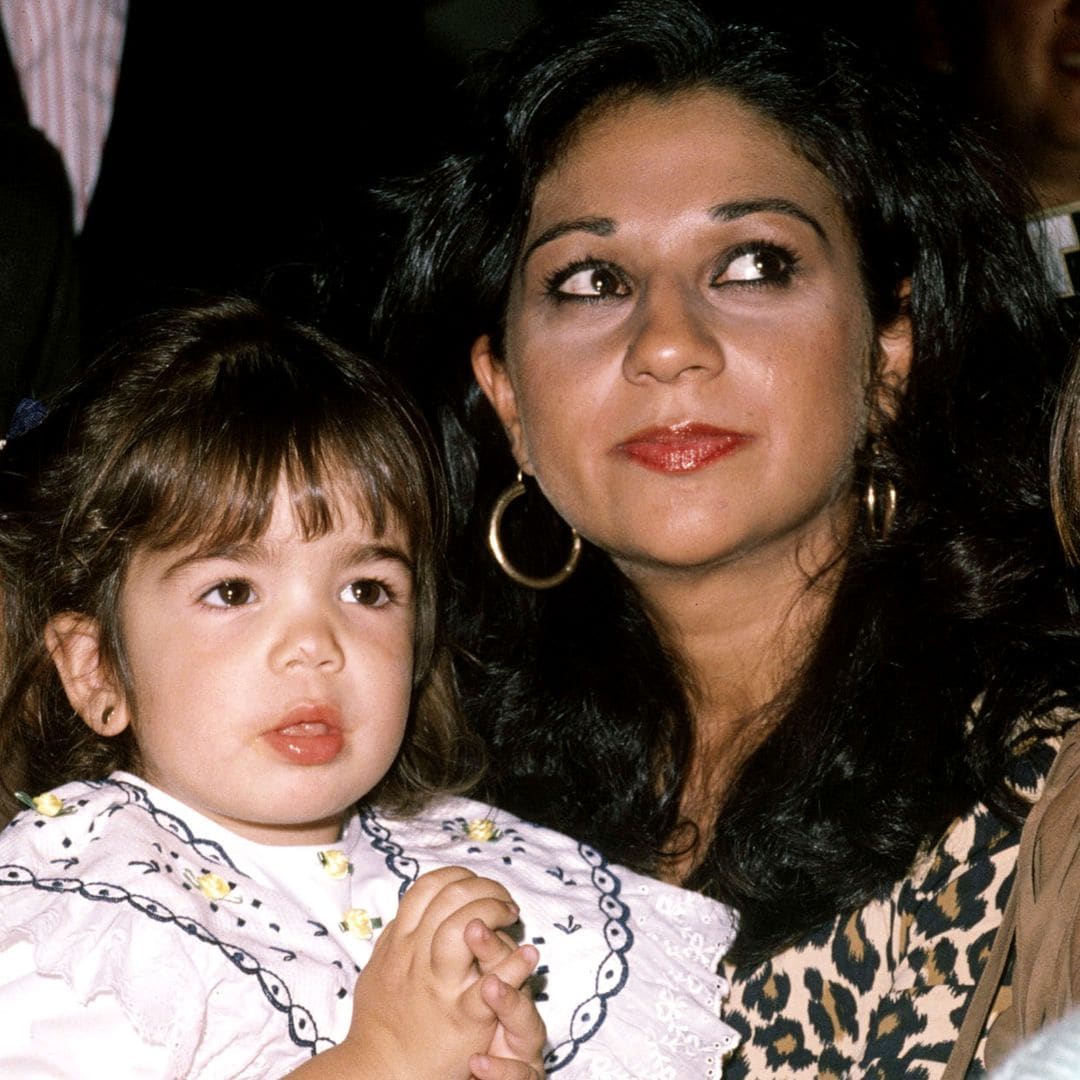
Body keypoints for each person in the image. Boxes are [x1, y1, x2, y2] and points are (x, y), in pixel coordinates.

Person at [369, 2, 1080, 1075]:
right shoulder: (402, 772)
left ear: (890, 356)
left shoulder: (1044, 791)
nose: (666, 344)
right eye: (592, 281)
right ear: (506, 394)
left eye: (752, 265)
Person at [0, 297, 736, 1078]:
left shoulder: (472, 870)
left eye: (367, 591)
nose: (316, 646)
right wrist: (382, 1060)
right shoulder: (78, 920)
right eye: (233, 591)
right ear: (96, 669)